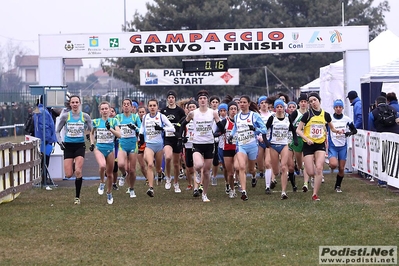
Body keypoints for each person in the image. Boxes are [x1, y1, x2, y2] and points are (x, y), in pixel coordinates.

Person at [296, 92, 343, 201]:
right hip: (308, 145)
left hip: (320, 144)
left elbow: (332, 128)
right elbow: (298, 130)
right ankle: (313, 178)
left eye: (314, 100)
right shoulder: (307, 115)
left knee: (319, 168)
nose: (313, 103)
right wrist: (307, 139)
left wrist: (338, 131)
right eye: (310, 101)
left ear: (319, 101)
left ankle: (315, 194)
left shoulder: (325, 115)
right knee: (311, 172)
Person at [179, 90, 224, 202]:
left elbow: (221, 127)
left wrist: (217, 133)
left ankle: (204, 194)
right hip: (197, 143)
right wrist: (180, 137)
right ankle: (197, 174)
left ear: (207, 101)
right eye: (200, 99)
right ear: (198, 101)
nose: (202, 100)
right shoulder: (193, 113)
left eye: (204, 98)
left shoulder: (213, 113)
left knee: (207, 171)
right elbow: (183, 124)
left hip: (209, 143)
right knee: (199, 165)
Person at [229, 95, 269, 201]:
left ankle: (254, 176)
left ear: (249, 104)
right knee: (241, 167)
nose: (241, 104)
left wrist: (255, 129)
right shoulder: (237, 116)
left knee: (251, 169)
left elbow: (264, 130)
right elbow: (235, 128)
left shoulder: (254, 116)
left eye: (244, 102)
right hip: (241, 145)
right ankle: (244, 191)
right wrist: (231, 135)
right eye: (240, 102)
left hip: (253, 146)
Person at [56, 95, 92, 205]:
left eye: (77, 102)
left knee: (78, 171)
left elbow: (92, 130)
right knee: (68, 175)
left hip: (80, 146)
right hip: (68, 146)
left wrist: (90, 139)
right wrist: (60, 142)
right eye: (73, 102)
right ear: (70, 104)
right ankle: (72, 164)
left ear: (80, 103)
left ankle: (77, 197)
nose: (75, 104)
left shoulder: (85, 116)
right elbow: (57, 131)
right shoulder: (65, 116)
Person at [139, 99, 175, 197]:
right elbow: (142, 127)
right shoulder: (145, 117)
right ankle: (151, 188)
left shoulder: (161, 117)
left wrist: (162, 128)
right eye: (150, 106)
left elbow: (172, 128)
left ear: (157, 107)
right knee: (150, 165)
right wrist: (141, 135)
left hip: (159, 146)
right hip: (149, 145)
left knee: (158, 168)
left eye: (154, 105)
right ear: (148, 107)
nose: (152, 107)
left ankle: (160, 173)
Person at [265, 99, 298, 199]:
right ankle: (274, 177)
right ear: (275, 109)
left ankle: (283, 192)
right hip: (274, 145)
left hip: (284, 144)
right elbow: (264, 130)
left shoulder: (288, 118)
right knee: (276, 171)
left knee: (284, 167)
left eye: (281, 107)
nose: (280, 109)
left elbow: (293, 130)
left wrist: (295, 139)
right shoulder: (272, 118)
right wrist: (265, 141)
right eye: (278, 107)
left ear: (284, 108)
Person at [91, 101, 121, 205]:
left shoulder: (114, 121)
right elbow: (91, 133)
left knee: (110, 174)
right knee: (102, 166)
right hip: (99, 148)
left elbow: (119, 135)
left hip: (110, 149)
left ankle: (109, 193)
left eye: (106, 109)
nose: (104, 111)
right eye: (102, 109)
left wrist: (110, 129)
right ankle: (102, 182)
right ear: (100, 111)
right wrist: (92, 143)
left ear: (109, 110)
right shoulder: (96, 122)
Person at [327, 99, 357, 192]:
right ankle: (331, 164)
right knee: (333, 164)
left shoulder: (347, 119)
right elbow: (323, 128)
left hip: (343, 146)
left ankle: (338, 186)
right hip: (333, 145)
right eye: (336, 107)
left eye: (340, 107)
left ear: (343, 108)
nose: (338, 109)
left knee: (341, 168)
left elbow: (354, 130)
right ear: (334, 108)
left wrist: (349, 133)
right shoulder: (329, 118)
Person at [115, 98, 142, 198]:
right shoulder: (118, 117)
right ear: (122, 107)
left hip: (132, 145)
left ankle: (131, 188)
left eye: (128, 104)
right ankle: (123, 174)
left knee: (132, 170)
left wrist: (135, 128)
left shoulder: (135, 117)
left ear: (131, 107)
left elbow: (141, 129)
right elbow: (115, 127)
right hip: (122, 144)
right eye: (124, 104)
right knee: (121, 165)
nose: (126, 106)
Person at [161, 90, 186, 193]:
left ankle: (176, 183)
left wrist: (180, 134)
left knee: (176, 164)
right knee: (167, 157)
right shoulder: (163, 111)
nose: (171, 99)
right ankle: (168, 178)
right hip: (168, 138)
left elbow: (183, 123)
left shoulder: (180, 111)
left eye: (172, 97)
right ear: (167, 99)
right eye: (169, 97)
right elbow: (161, 123)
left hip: (177, 139)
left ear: (175, 99)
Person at [33, 96, 57, 186]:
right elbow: (44, 126)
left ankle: (42, 178)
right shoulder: (44, 112)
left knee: (42, 161)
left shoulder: (38, 110)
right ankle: (44, 179)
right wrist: (47, 139)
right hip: (45, 141)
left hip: (40, 138)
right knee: (45, 161)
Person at [288, 93, 309, 192]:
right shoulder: (295, 113)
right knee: (299, 165)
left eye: (305, 102)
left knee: (306, 163)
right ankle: (297, 168)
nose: (303, 103)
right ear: (299, 103)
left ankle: (305, 184)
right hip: (295, 140)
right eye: (302, 102)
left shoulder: (310, 113)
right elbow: (289, 126)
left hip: (306, 140)